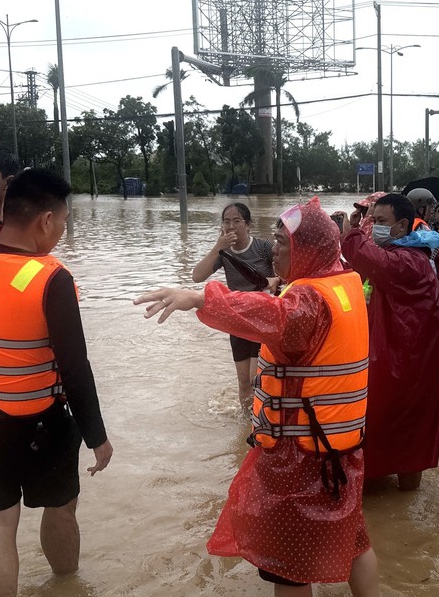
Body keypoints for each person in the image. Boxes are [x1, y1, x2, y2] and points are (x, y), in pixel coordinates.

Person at [134, 198, 380, 596]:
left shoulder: (308, 301)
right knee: (353, 539)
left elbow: (272, 315)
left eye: (283, 242)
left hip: (301, 455)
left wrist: (200, 298)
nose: (276, 249)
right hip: (341, 448)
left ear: (307, 250)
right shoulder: (344, 283)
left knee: (288, 565)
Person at [0, 169, 113, 597]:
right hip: (39, 419)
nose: (61, 234)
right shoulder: (50, 278)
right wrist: (98, 437)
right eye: (65, 223)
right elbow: (75, 368)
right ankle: (67, 585)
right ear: (47, 221)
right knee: (60, 508)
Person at [340, 193, 439, 491]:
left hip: (407, 361)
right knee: (405, 429)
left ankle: (383, 486)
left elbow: (369, 260)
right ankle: (399, 498)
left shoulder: (409, 261)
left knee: (384, 421)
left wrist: (348, 234)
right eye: (372, 221)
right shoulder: (408, 254)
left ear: (402, 225)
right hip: (408, 358)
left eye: (381, 222)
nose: (375, 227)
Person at [191, 203, 277, 405]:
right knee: (243, 382)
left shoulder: (264, 247)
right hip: (236, 320)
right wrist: (218, 248)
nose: (231, 226)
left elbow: (288, 268)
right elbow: (197, 276)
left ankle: (258, 424)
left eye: (237, 221)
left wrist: (277, 280)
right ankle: (244, 426)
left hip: (262, 320)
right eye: (227, 221)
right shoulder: (224, 254)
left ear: (248, 225)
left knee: (257, 379)